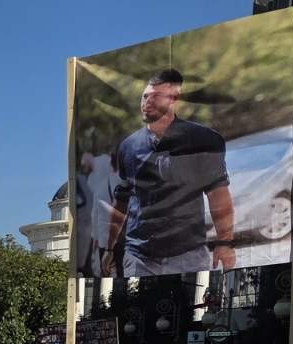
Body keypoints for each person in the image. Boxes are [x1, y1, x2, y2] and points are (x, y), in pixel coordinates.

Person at [101, 68, 236, 278]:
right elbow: (121, 202)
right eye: (145, 96)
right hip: (138, 257)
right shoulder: (128, 146)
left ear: (174, 99)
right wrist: (109, 248)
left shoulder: (203, 139)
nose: (147, 102)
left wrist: (225, 243)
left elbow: (218, 196)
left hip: (187, 254)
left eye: (156, 97)